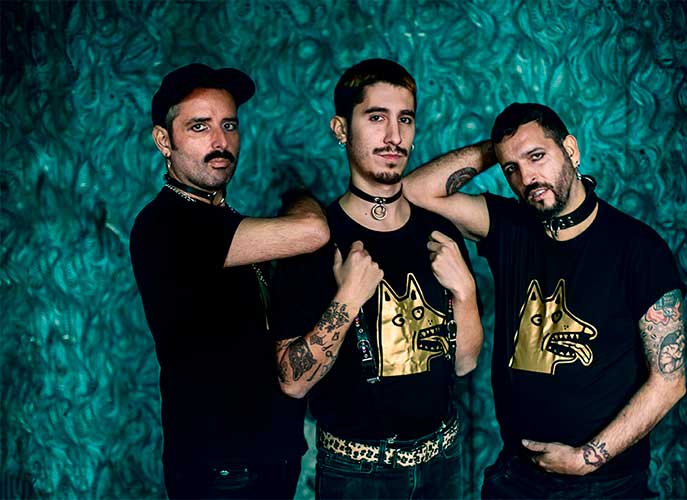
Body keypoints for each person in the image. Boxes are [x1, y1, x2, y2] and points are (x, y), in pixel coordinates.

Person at [404, 102, 687, 499]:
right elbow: (415, 191)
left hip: (606, 484)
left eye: (537, 156)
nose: (527, 178)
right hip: (516, 478)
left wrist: (587, 458)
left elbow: (670, 382)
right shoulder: (508, 226)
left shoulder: (639, 249)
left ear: (570, 150)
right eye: (512, 169)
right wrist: (500, 148)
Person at [271, 58, 483, 499]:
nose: (394, 136)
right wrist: (348, 298)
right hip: (356, 473)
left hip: (443, 461)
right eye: (376, 118)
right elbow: (292, 380)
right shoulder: (314, 241)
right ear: (341, 129)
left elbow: (464, 363)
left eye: (405, 119)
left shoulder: (440, 232)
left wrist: (465, 292)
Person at [130, 63, 329, 499]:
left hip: (271, 459)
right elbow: (313, 231)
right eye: (199, 127)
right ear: (164, 140)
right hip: (220, 472)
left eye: (229, 125)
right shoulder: (167, 224)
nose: (220, 141)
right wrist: (298, 196)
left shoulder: (226, 220)